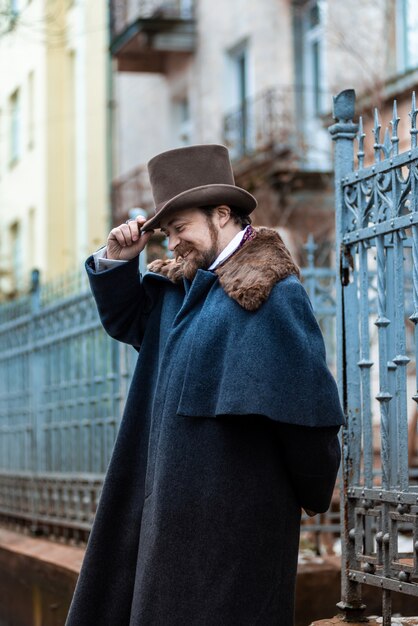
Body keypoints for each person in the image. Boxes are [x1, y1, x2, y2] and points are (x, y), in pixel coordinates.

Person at [66, 144, 344, 626]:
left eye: (180, 229)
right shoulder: (179, 291)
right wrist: (117, 260)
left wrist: (312, 491)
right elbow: (126, 320)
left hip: (236, 531)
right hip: (164, 521)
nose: (172, 243)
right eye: (167, 232)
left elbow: (308, 423)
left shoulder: (274, 295)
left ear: (222, 214)